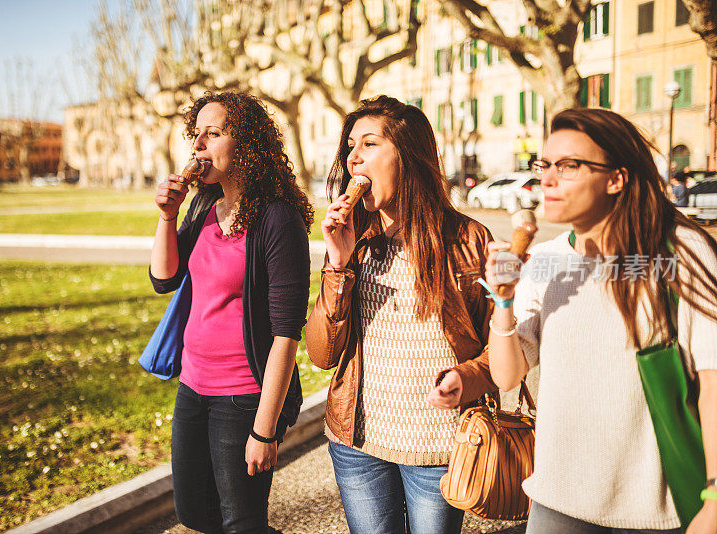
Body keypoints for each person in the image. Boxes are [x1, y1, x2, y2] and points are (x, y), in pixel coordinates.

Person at [482, 108, 717, 533]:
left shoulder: (678, 251)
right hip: (556, 502)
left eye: (570, 166)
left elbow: (713, 380)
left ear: (616, 178)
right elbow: (506, 375)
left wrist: (716, 499)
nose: (548, 179)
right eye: (546, 164)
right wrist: (503, 301)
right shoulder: (548, 261)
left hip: (656, 511)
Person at [304, 95, 498, 534]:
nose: (353, 157)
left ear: (407, 155)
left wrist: (468, 377)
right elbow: (320, 353)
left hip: (440, 446)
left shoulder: (468, 240)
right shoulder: (354, 237)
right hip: (358, 445)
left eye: (368, 144)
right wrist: (337, 264)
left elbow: (503, 349)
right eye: (350, 145)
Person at [150, 91, 313, 533]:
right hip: (193, 386)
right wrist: (168, 215)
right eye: (196, 134)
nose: (198, 145)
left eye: (214, 133)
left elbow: (286, 333)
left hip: (243, 396)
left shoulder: (278, 220)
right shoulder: (204, 204)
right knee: (194, 514)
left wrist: (264, 430)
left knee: (241, 522)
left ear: (247, 145)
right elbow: (164, 279)